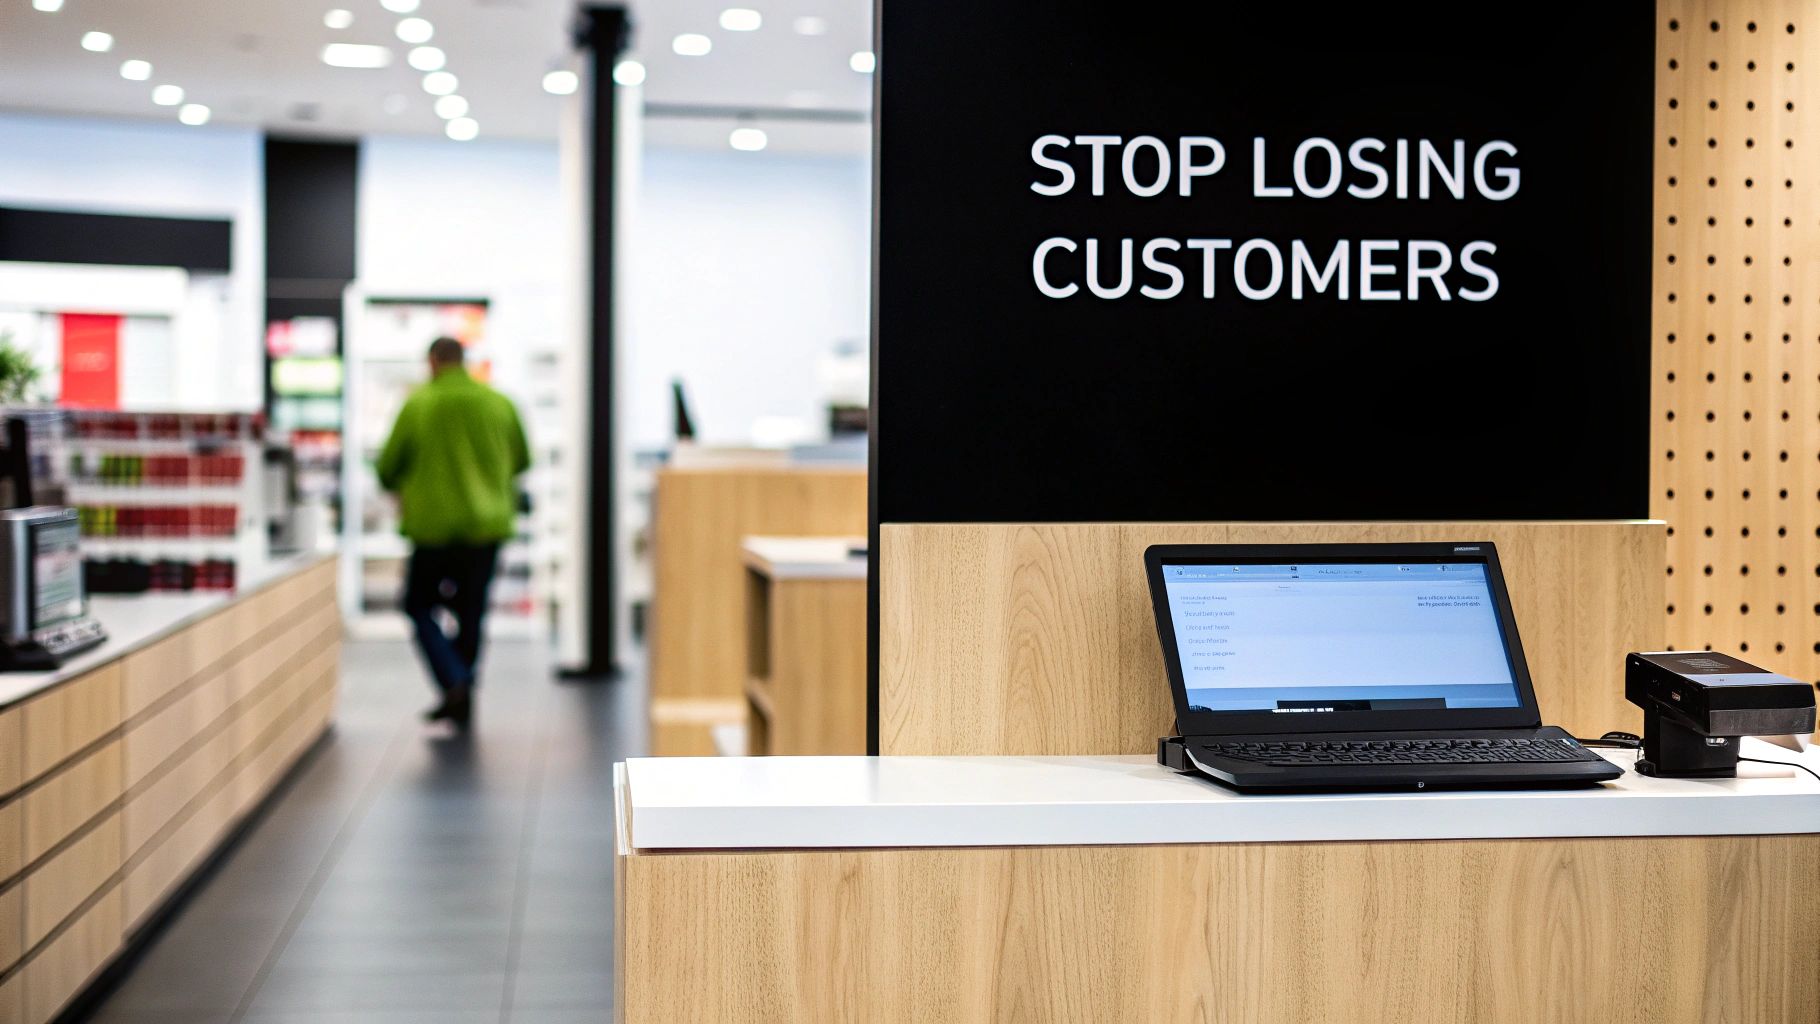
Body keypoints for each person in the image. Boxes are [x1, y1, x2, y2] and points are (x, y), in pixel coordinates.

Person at [376, 337, 529, 729]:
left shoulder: (419, 404)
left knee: (417, 604)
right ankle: (461, 690)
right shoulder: (499, 403)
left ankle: (454, 680)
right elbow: (522, 460)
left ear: (432, 362)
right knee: (472, 610)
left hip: (433, 528)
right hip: (486, 526)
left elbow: (387, 468)